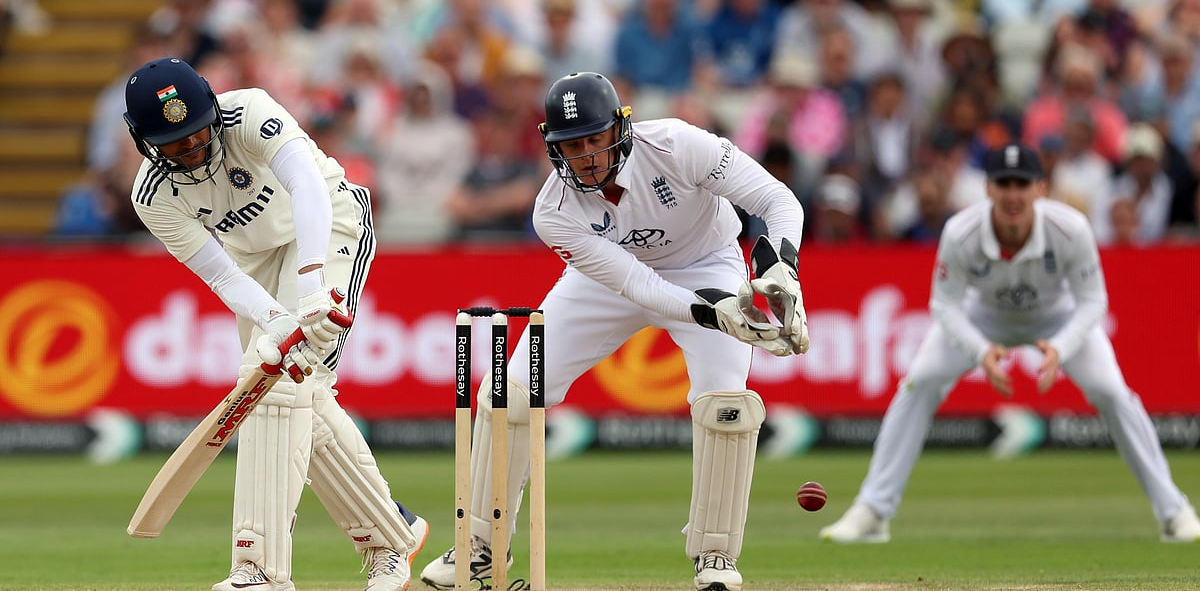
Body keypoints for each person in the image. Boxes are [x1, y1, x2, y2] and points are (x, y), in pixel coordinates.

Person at [419, 72, 811, 591]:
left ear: (619, 130)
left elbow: (780, 202)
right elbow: (635, 283)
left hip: (708, 262)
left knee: (726, 406)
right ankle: (483, 551)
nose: (585, 156)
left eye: (594, 140)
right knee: (511, 394)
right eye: (571, 146)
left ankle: (715, 555)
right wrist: (709, 312)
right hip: (605, 279)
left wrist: (784, 266)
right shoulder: (552, 210)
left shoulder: (678, 144)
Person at [123, 57, 428, 590]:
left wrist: (311, 286)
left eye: (196, 135)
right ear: (144, 143)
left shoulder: (251, 113)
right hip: (255, 263)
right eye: (173, 146)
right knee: (281, 388)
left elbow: (307, 183)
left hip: (328, 221)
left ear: (212, 114)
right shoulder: (153, 196)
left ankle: (259, 570)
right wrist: (277, 318)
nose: (191, 151)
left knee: (282, 388)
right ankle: (391, 536)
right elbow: (220, 275)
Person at [818, 143, 1200, 545]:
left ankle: (1174, 511)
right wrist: (981, 351)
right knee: (920, 382)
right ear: (988, 189)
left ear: (1040, 189)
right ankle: (873, 512)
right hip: (984, 316)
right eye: (1004, 184)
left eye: (1022, 184)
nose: (1013, 195)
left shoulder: (1071, 229)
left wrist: (1061, 348)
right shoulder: (961, 232)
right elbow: (944, 305)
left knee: (1111, 391)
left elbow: (1092, 302)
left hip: (1058, 317)